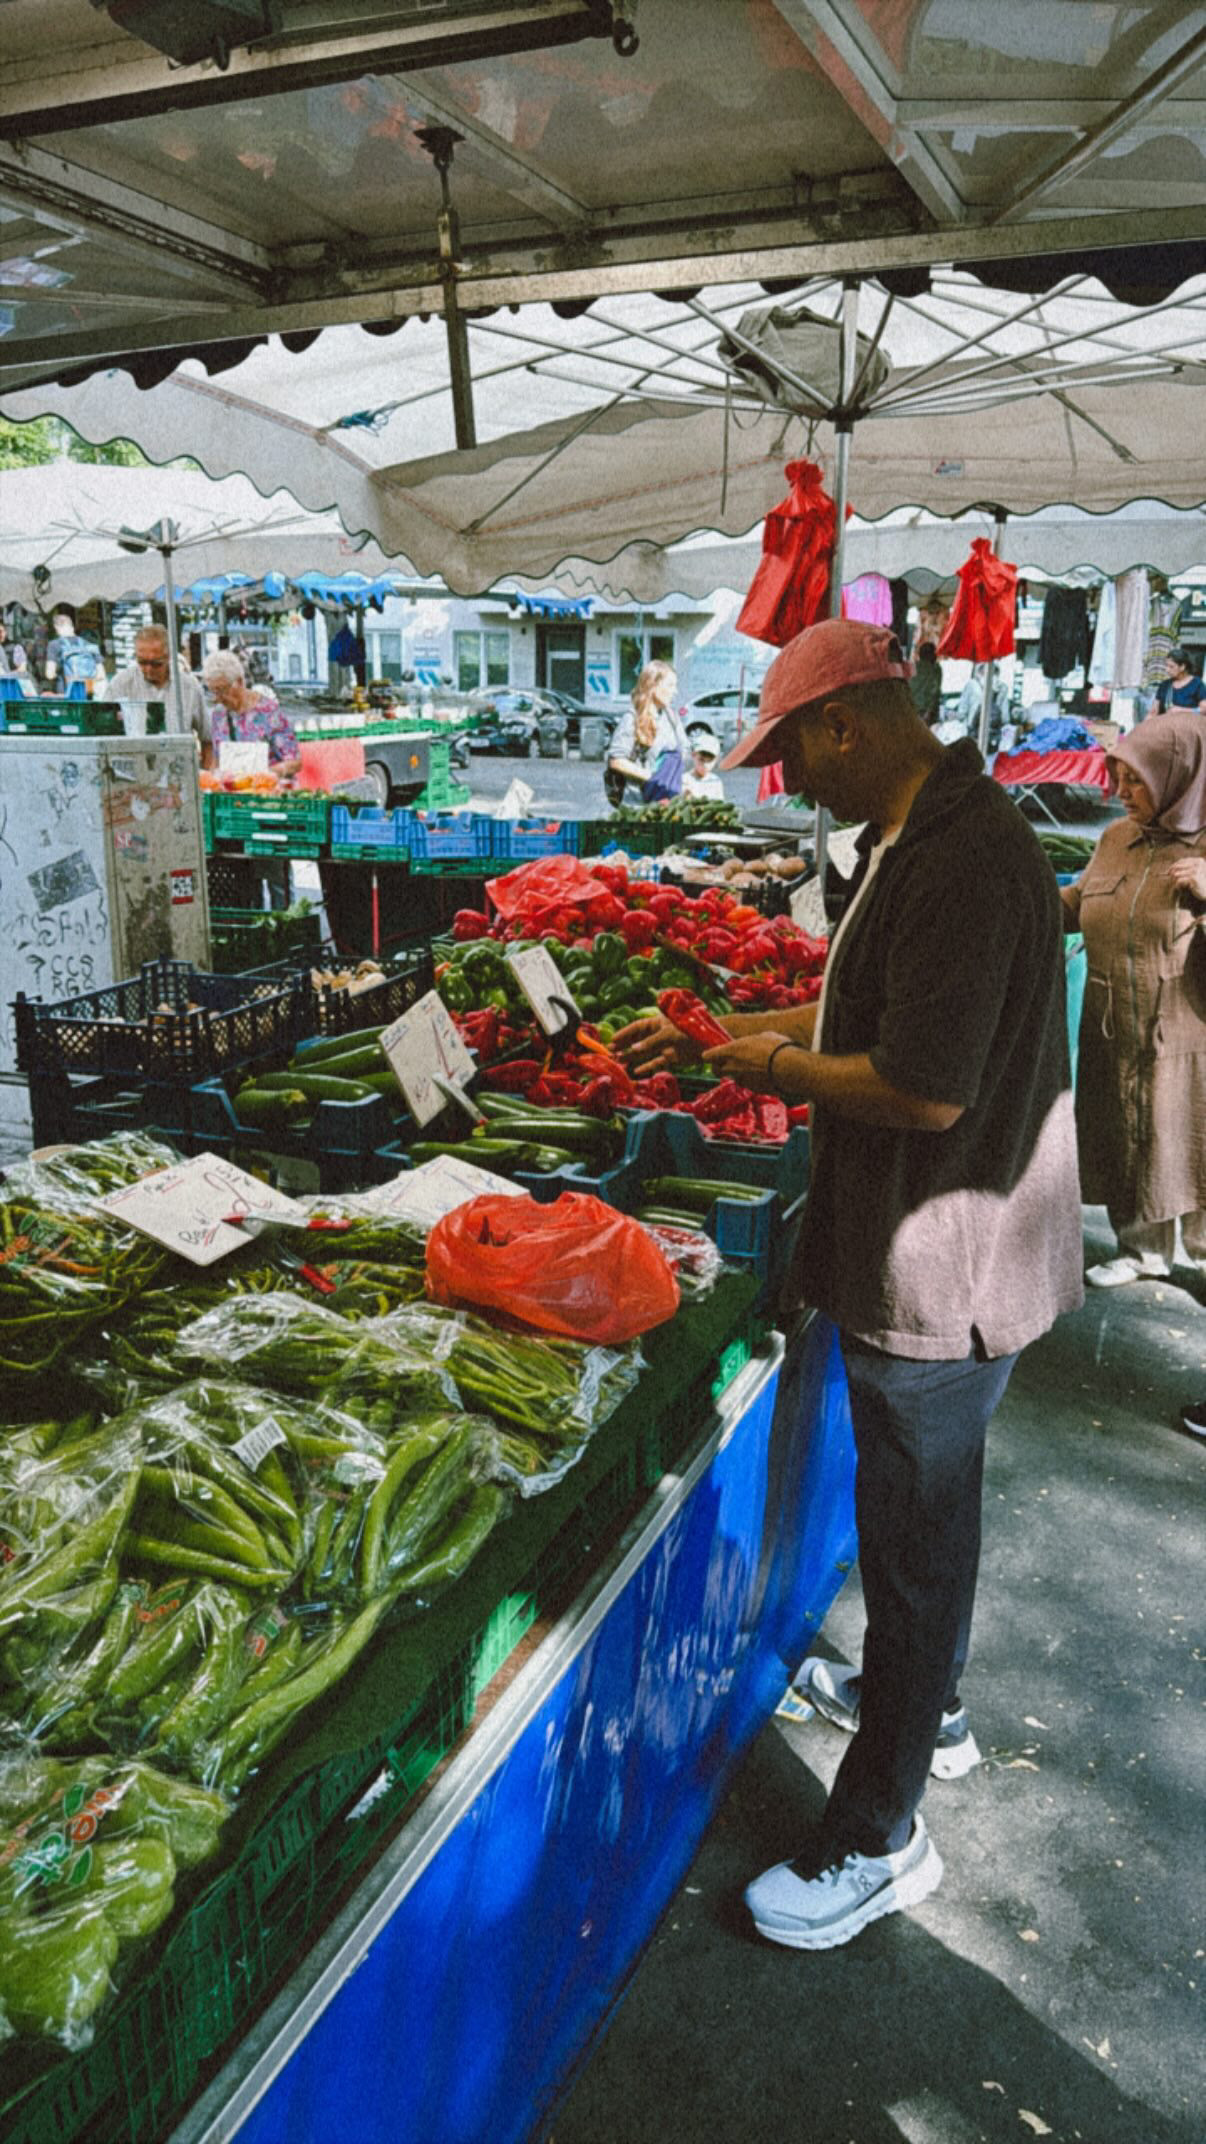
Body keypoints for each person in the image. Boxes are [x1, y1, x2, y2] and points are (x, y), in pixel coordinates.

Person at [616, 618, 1083, 1951]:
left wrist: (757, 1070)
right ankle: (916, 1702)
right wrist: (731, 1034)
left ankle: (881, 1835)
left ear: (846, 724)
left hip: (949, 1259)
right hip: (933, 1246)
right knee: (914, 1532)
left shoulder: (962, 857)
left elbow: (920, 1086)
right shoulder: (920, 834)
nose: (785, 780)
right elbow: (861, 1019)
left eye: (789, 752)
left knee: (920, 1539)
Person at [1061, 712, 1206, 1288]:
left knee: (1191, 1133)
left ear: (1179, 776)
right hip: (1114, 1020)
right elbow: (1079, 899)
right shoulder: (1116, 837)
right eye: (1117, 777)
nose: (1120, 793)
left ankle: (1201, 1250)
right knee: (1125, 1131)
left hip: (1189, 1028)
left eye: (1136, 780)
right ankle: (1141, 1247)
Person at [110, 625, 209, 753]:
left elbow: (207, 739)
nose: (148, 669)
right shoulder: (121, 684)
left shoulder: (189, 687)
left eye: (156, 664)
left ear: (168, 657)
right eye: (142, 662)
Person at [605, 660, 690, 807]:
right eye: (670, 685)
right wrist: (653, 778)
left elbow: (685, 751)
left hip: (667, 804)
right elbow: (616, 761)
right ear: (653, 686)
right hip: (637, 806)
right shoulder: (632, 719)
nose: (675, 691)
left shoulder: (671, 717)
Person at [202, 648, 300, 776]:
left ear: (239, 681)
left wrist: (264, 775)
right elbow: (217, 760)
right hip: (231, 792)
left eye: (223, 690)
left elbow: (294, 762)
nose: (219, 698)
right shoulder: (219, 715)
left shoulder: (268, 712)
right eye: (214, 691)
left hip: (265, 791)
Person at [43, 607, 104, 694]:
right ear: (72, 626)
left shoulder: (55, 644)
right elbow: (101, 675)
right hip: (89, 693)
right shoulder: (90, 645)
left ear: (56, 627)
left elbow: (49, 674)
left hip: (67, 694)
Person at [1153, 646, 1206, 714]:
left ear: (1182, 667)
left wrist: (1181, 710)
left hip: (1189, 723)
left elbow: (1204, 709)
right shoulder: (1164, 685)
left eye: (1171, 667)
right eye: (1166, 665)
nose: (1167, 670)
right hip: (1166, 723)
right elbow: (1153, 712)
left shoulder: (1197, 684)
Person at [681, 729, 725, 801]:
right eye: (701, 759)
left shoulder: (716, 781)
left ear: (716, 760)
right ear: (693, 755)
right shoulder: (684, 780)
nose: (705, 765)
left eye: (709, 761)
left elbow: (720, 806)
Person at [907, 640, 942, 724]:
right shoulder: (935, 669)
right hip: (926, 714)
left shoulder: (911, 667)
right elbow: (934, 693)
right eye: (935, 654)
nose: (936, 656)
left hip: (911, 711)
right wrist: (928, 714)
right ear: (932, 655)